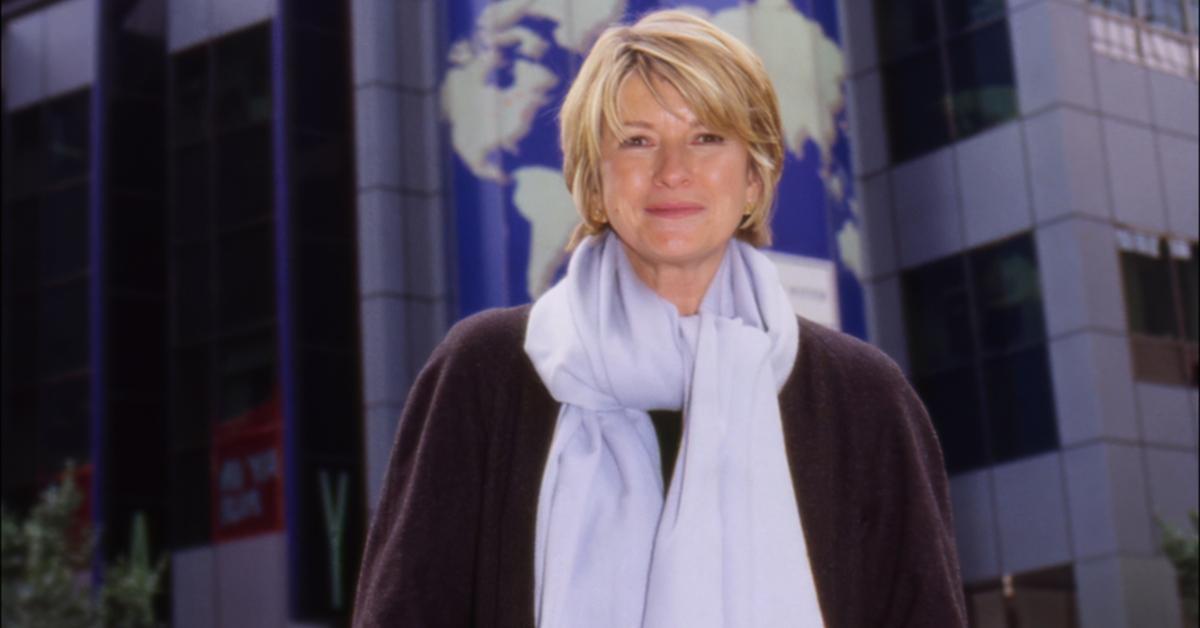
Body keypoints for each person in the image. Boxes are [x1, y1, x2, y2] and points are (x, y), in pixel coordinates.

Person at [353, 10, 966, 628]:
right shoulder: (485, 370)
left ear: (754, 178)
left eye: (707, 138)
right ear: (593, 183)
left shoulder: (863, 398)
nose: (674, 170)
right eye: (637, 140)